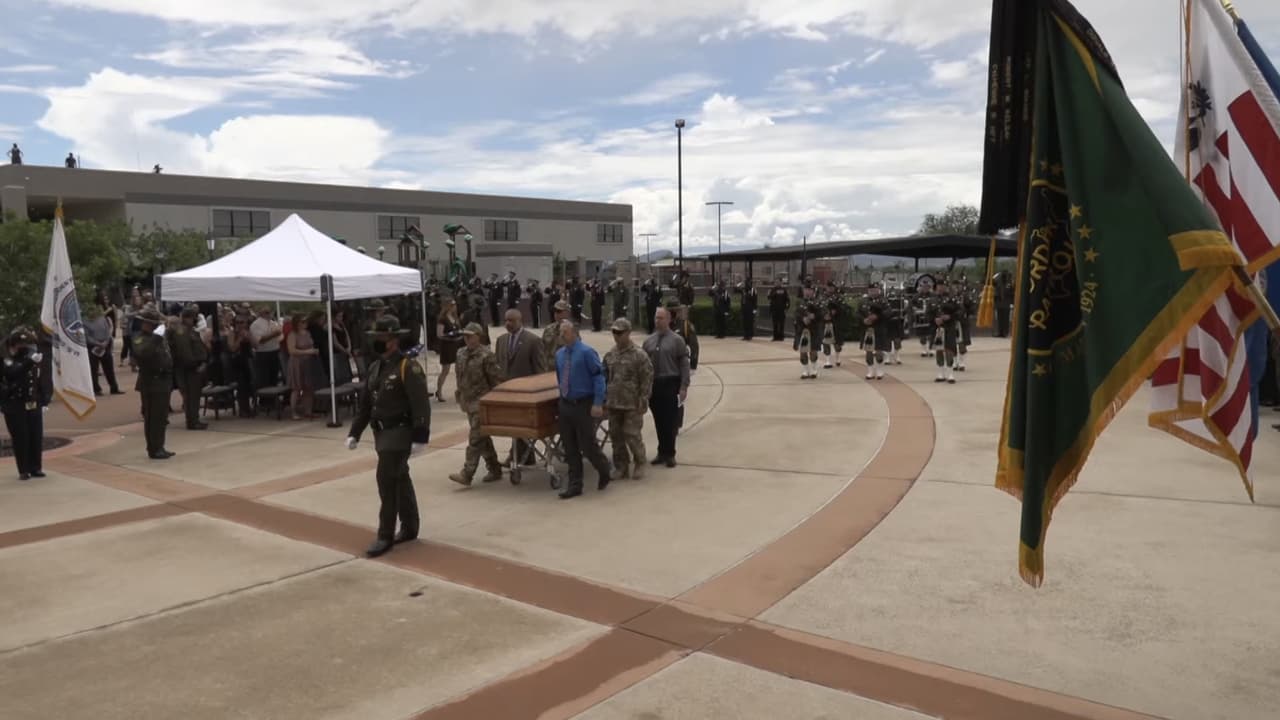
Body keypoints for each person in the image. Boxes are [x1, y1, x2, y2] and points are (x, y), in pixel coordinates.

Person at [345, 315, 430, 558]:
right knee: (399, 478)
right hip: (382, 433)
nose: (377, 342)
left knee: (386, 480)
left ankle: (385, 535)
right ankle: (411, 526)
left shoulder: (407, 367)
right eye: (376, 338)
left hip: (400, 433)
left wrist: (420, 436)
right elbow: (365, 405)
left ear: (393, 340)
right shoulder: (375, 367)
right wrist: (355, 433)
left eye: (381, 338)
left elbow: (420, 404)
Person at [554, 320, 613, 498]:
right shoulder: (559, 354)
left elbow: (598, 377)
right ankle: (575, 484)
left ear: (574, 333)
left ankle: (603, 469)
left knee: (588, 445)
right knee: (569, 446)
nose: (562, 335)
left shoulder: (587, 352)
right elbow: (559, 377)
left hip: (584, 404)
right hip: (566, 404)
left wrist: (598, 402)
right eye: (560, 332)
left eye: (565, 332)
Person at [450, 323, 504, 486]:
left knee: (475, 439)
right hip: (467, 401)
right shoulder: (460, 353)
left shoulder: (486, 356)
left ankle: (467, 473)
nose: (466, 339)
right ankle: (494, 468)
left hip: (482, 403)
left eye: (470, 336)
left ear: (478, 337)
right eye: (465, 336)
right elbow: (459, 376)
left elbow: (495, 380)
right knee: (483, 438)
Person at [495, 308, 546, 465]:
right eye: (506, 320)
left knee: (523, 426)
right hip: (508, 391)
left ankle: (516, 456)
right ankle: (524, 457)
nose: (508, 324)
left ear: (520, 320)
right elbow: (499, 365)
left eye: (512, 320)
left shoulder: (533, 341)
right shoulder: (501, 340)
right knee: (514, 425)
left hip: (526, 392)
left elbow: (540, 369)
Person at [603, 318, 653, 480]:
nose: (616, 336)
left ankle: (639, 462)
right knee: (616, 436)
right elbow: (604, 378)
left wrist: (644, 399)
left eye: (620, 332)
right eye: (614, 332)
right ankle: (621, 466)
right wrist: (603, 399)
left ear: (628, 333)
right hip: (614, 402)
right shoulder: (610, 355)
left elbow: (647, 378)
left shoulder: (639, 355)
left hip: (632, 403)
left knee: (632, 434)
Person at [642, 307, 690, 467]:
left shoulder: (677, 340)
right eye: (656, 318)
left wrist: (684, 386)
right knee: (658, 420)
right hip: (654, 384)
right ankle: (661, 452)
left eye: (661, 318)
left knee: (670, 421)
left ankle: (670, 453)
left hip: (671, 382)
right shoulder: (648, 341)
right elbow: (644, 366)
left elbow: (684, 364)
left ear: (669, 319)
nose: (658, 321)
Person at [2, 328, 48, 479]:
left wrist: (43, 399)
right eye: (22, 344)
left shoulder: (32, 359)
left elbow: (38, 380)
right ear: (14, 345)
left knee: (35, 435)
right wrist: (30, 362)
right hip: (15, 404)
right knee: (21, 437)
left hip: (32, 402)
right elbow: (13, 373)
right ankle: (24, 470)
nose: (26, 348)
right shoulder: (7, 359)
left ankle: (36, 467)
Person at [132, 308, 175, 459]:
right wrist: (156, 338)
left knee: (162, 416)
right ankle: (154, 448)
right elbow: (143, 353)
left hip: (163, 381)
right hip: (151, 382)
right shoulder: (140, 338)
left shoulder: (157, 337)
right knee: (153, 417)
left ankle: (159, 446)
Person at [170, 307, 210, 430]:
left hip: (194, 367)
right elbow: (185, 352)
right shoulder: (181, 332)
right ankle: (193, 421)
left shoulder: (190, 330)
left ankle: (194, 419)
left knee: (194, 396)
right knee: (191, 396)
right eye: (193, 318)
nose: (195, 320)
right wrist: (196, 365)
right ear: (187, 318)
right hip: (189, 369)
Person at [286, 312, 319, 420]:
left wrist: (313, 351)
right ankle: (293, 412)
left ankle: (308, 411)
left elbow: (311, 344)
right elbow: (292, 350)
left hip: (308, 362)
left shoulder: (308, 333)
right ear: (297, 323)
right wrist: (308, 351)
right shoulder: (292, 335)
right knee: (296, 388)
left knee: (308, 387)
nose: (305, 323)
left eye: (306, 321)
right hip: (297, 362)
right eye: (303, 321)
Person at [83, 305, 122, 395]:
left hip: (105, 345)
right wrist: (97, 344)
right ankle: (96, 389)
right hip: (93, 347)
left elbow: (108, 331)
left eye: (93, 310)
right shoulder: (84, 322)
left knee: (109, 368)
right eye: (89, 311)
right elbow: (87, 337)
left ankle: (114, 388)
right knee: (94, 369)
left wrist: (105, 342)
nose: (91, 313)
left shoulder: (102, 319)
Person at [857, 283, 890, 380]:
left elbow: (889, 312)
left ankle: (880, 370)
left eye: (875, 290)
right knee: (868, 352)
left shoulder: (883, 301)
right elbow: (857, 313)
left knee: (879, 351)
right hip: (867, 330)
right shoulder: (863, 301)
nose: (873, 292)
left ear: (878, 290)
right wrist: (863, 320)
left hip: (879, 329)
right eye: (871, 290)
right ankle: (870, 371)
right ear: (868, 291)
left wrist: (878, 316)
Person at [435, 299, 463, 402]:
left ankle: (460, 392)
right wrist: (450, 336)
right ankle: (439, 391)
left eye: (454, 305)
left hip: (456, 345)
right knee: (445, 370)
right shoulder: (442, 319)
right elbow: (439, 334)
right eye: (452, 305)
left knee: (459, 370)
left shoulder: (455, 318)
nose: (454, 307)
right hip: (446, 346)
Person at [542, 300, 570, 368]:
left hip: (565, 367)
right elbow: (542, 349)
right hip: (549, 367)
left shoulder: (572, 330)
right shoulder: (548, 329)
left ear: (567, 313)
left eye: (559, 311)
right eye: (555, 311)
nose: (556, 314)